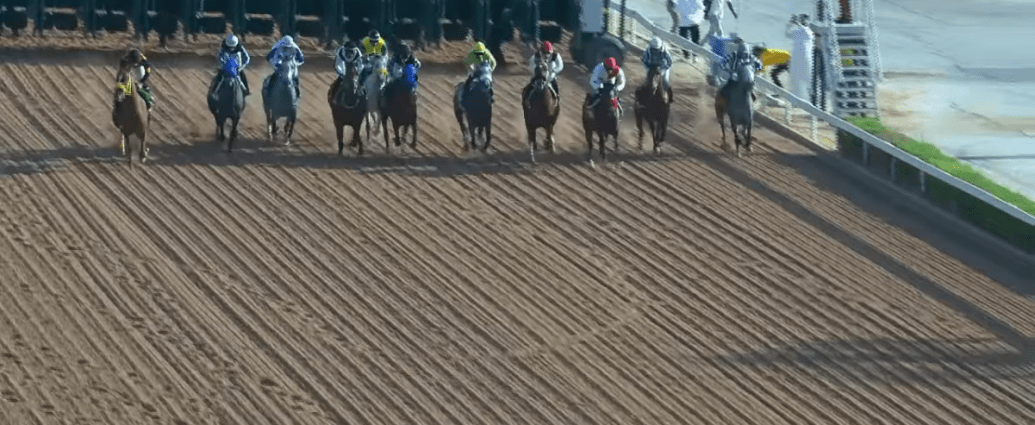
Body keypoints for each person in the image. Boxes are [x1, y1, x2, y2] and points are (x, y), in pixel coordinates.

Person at [786, 14, 814, 100]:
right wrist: (790, 25)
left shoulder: (809, 30)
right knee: (796, 78)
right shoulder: (797, 31)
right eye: (801, 19)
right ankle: (797, 98)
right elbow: (788, 34)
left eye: (803, 19)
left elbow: (808, 35)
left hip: (806, 59)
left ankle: (811, 97)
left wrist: (799, 24)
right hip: (796, 58)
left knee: (808, 78)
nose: (802, 21)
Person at [641, 36, 674, 103]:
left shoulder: (665, 51)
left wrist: (663, 70)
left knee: (665, 81)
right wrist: (647, 69)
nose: (655, 51)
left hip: (663, 67)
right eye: (654, 49)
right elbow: (644, 61)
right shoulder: (647, 51)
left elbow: (670, 62)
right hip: (651, 66)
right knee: (648, 80)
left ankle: (670, 97)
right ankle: (645, 96)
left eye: (657, 49)